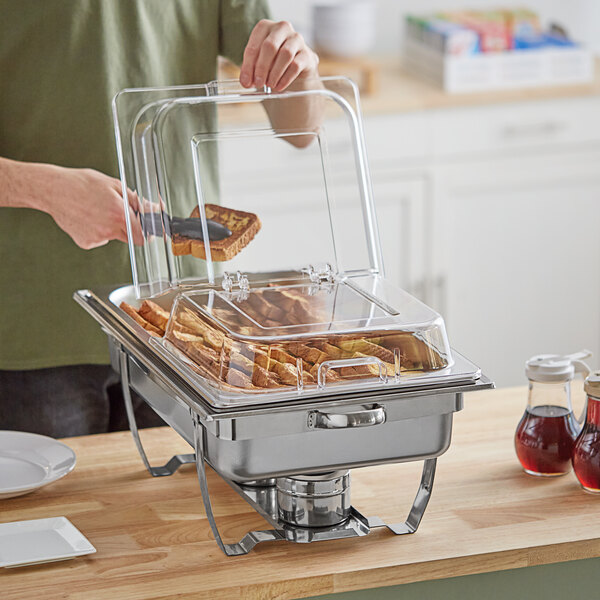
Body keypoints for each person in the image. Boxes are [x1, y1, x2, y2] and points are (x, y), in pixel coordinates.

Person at [0, 1, 320, 438]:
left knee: (187, 504)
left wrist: (298, 66)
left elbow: (300, 127)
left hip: (183, 320)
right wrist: (42, 187)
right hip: (32, 327)